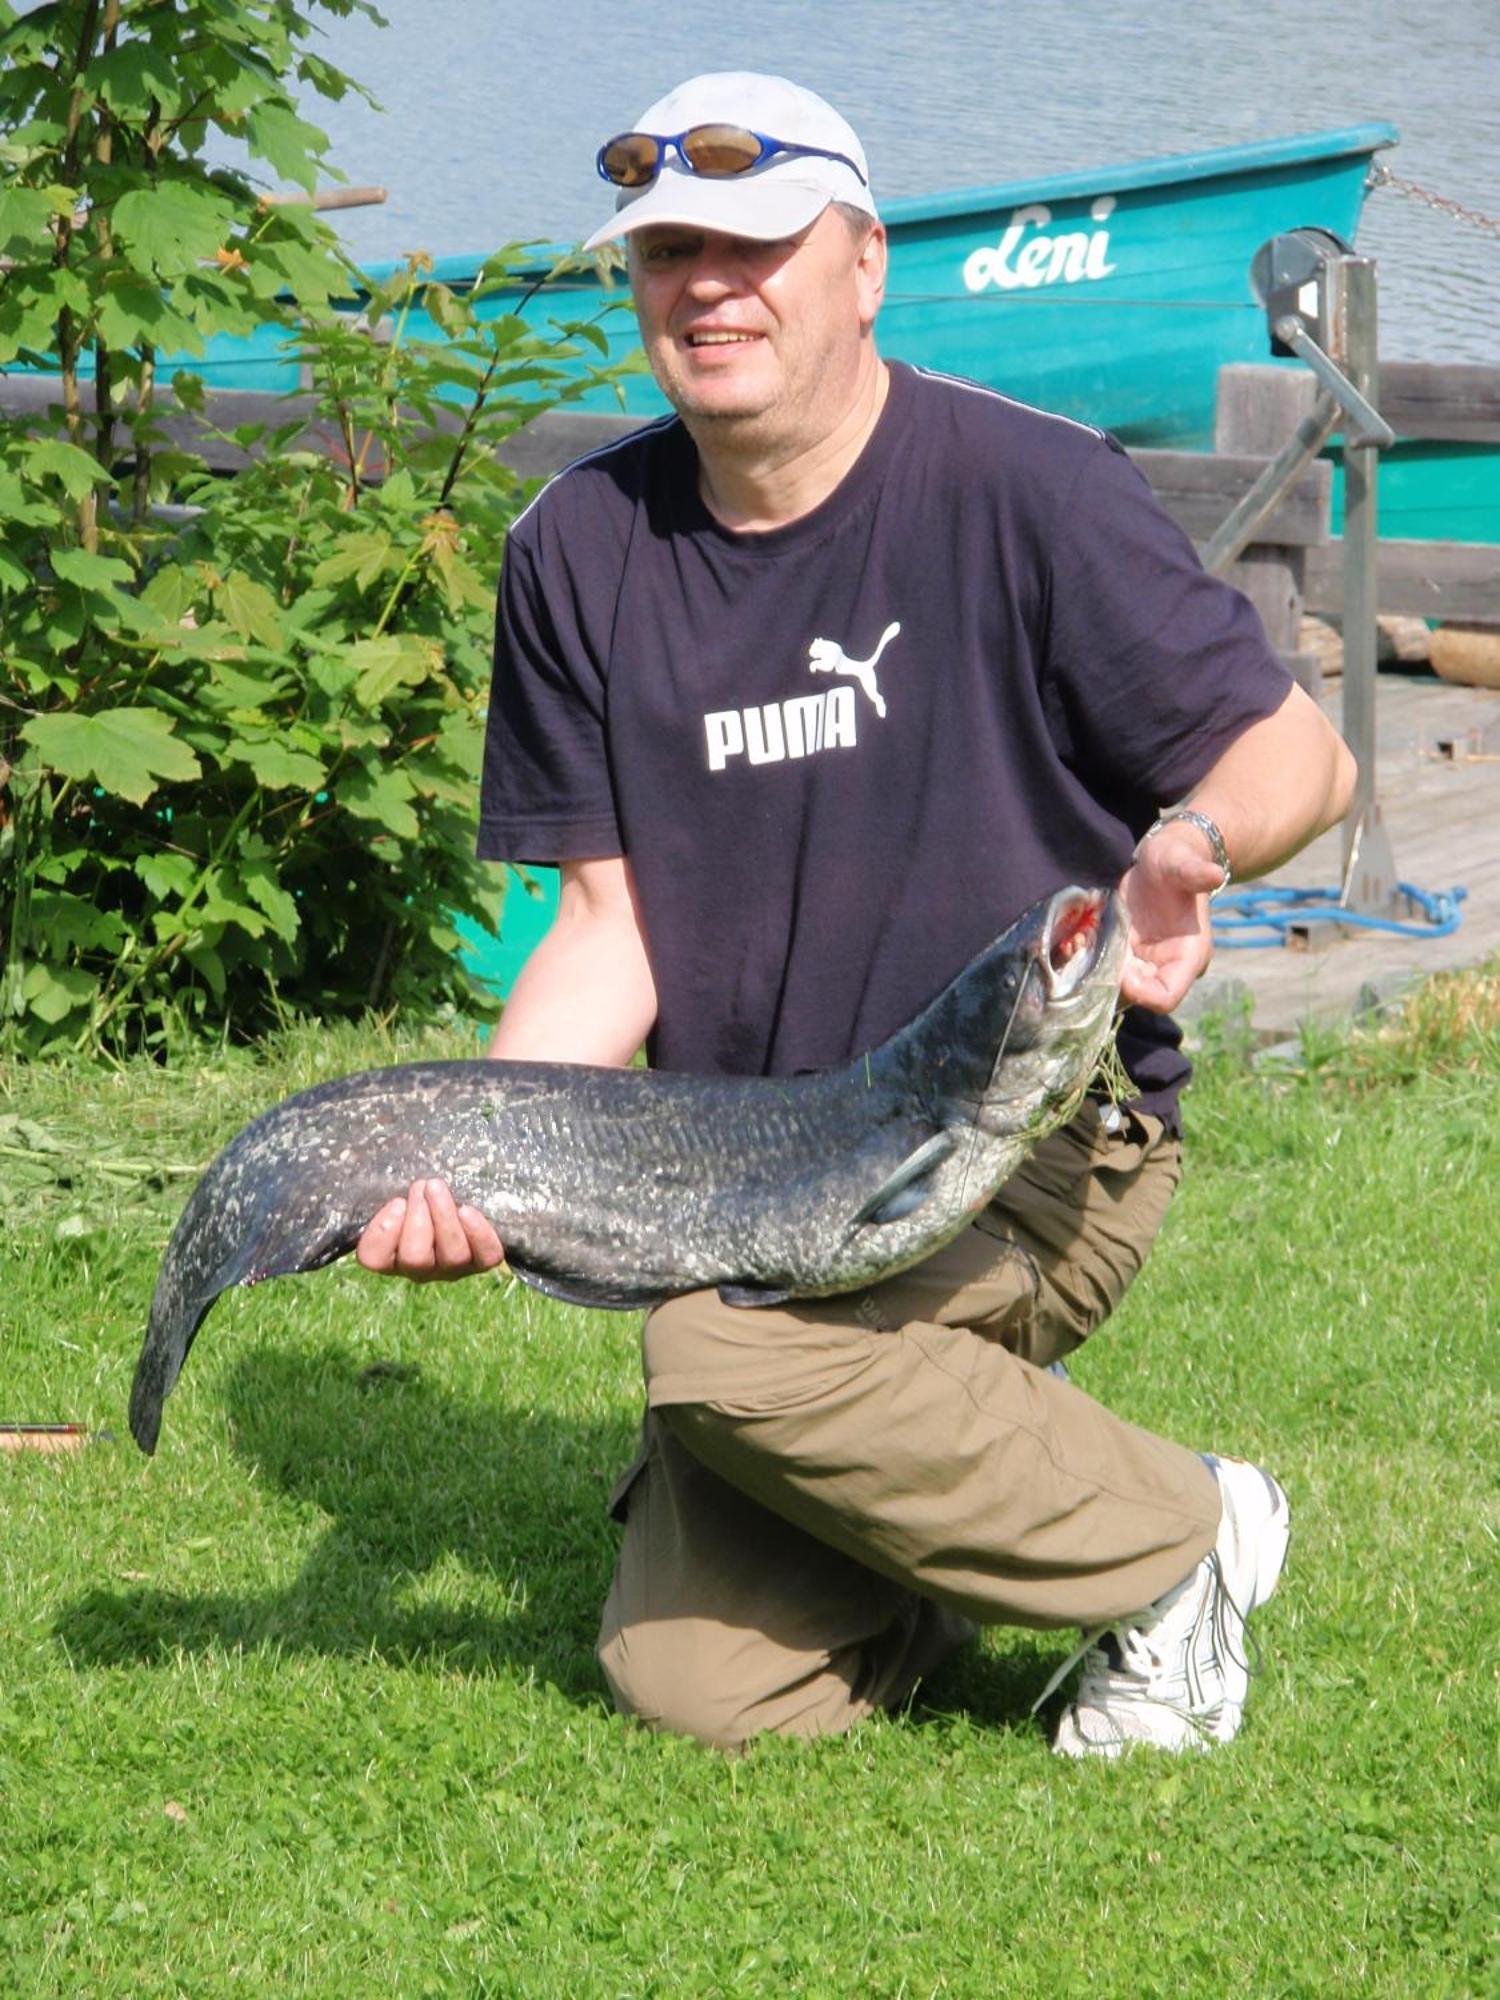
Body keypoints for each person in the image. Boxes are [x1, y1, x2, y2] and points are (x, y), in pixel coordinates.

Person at [356, 72, 1355, 1756]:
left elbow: (1303, 753)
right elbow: (607, 929)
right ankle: (952, 1492)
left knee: (717, 1364)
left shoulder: (1028, 490)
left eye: (756, 244)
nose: (708, 286)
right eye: (668, 251)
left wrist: (1187, 843)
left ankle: (1187, 1537)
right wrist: (481, 1161)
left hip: (1018, 1140)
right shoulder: (577, 548)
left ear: (866, 263)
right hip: (750, 1168)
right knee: (699, 1690)